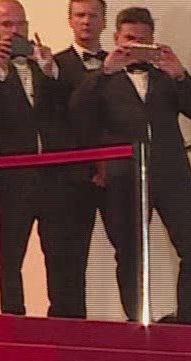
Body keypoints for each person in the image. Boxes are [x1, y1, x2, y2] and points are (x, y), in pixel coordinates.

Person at [71, 5, 191, 323]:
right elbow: (77, 111)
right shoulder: (103, 79)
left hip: (172, 174)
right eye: (130, 39)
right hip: (124, 177)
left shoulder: (166, 76)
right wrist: (105, 72)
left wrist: (180, 74)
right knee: (129, 252)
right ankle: (136, 321)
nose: (136, 46)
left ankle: (188, 320)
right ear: (117, 39)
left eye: (143, 40)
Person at [0, 0, 86, 318]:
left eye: (20, 24)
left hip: (54, 175)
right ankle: (13, 320)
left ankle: (64, 320)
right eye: (7, 25)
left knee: (59, 253)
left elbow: (70, 106)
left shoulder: (47, 64)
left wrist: (49, 69)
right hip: (13, 177)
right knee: (11, 255)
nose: (15, 31)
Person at [50, 0, 111, 319]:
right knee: (69, 255)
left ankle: (136, 326)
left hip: (116, 170)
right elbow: (55, 119)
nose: (86, 21)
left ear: (104, 21)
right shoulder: (54, 65)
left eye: (93, 15)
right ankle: (69, 324)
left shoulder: (120, 62)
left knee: (129, 251)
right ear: (70, 21)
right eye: (80, 15)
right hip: (70, 176)